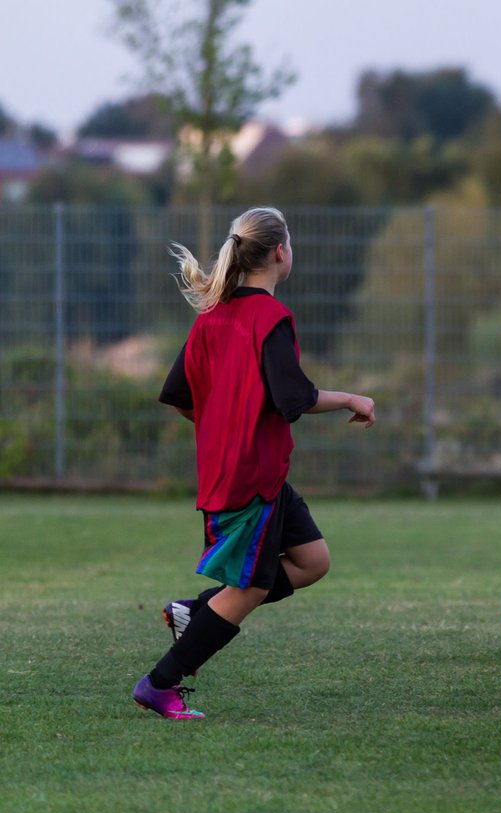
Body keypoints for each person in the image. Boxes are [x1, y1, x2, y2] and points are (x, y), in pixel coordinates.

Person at [132, 207, 376, 719]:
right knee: (252, 587)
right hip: (251, 476)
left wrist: (222, 422)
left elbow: (178, 395)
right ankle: (160, 683)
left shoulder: (212, 318)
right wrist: (352, 398)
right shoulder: (271, 318)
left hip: (252, 473)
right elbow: (295, 398)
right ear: (280, 252)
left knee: (313, 562)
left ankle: (194, 612)